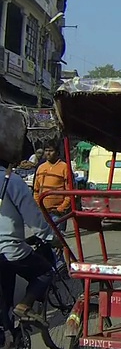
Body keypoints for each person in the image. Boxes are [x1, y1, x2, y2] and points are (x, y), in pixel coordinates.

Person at [1, 161, 56, 331]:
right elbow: (33, 218)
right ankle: (24, 306)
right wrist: (50, 237)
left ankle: (8, 331)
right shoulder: (11, 180)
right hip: (9, 248)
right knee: (46, 271)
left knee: (5, 297)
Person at [33, 140, 71, 233]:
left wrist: (61, 208)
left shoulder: (64, 167)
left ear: (57, 152)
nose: (48, 153)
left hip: (57, 213)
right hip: (43, 211)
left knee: (57, 239)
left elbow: (70, 192)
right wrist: (39, 205)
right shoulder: (41, 167)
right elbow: (36, 190)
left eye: (51, 150)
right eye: (46, 151)